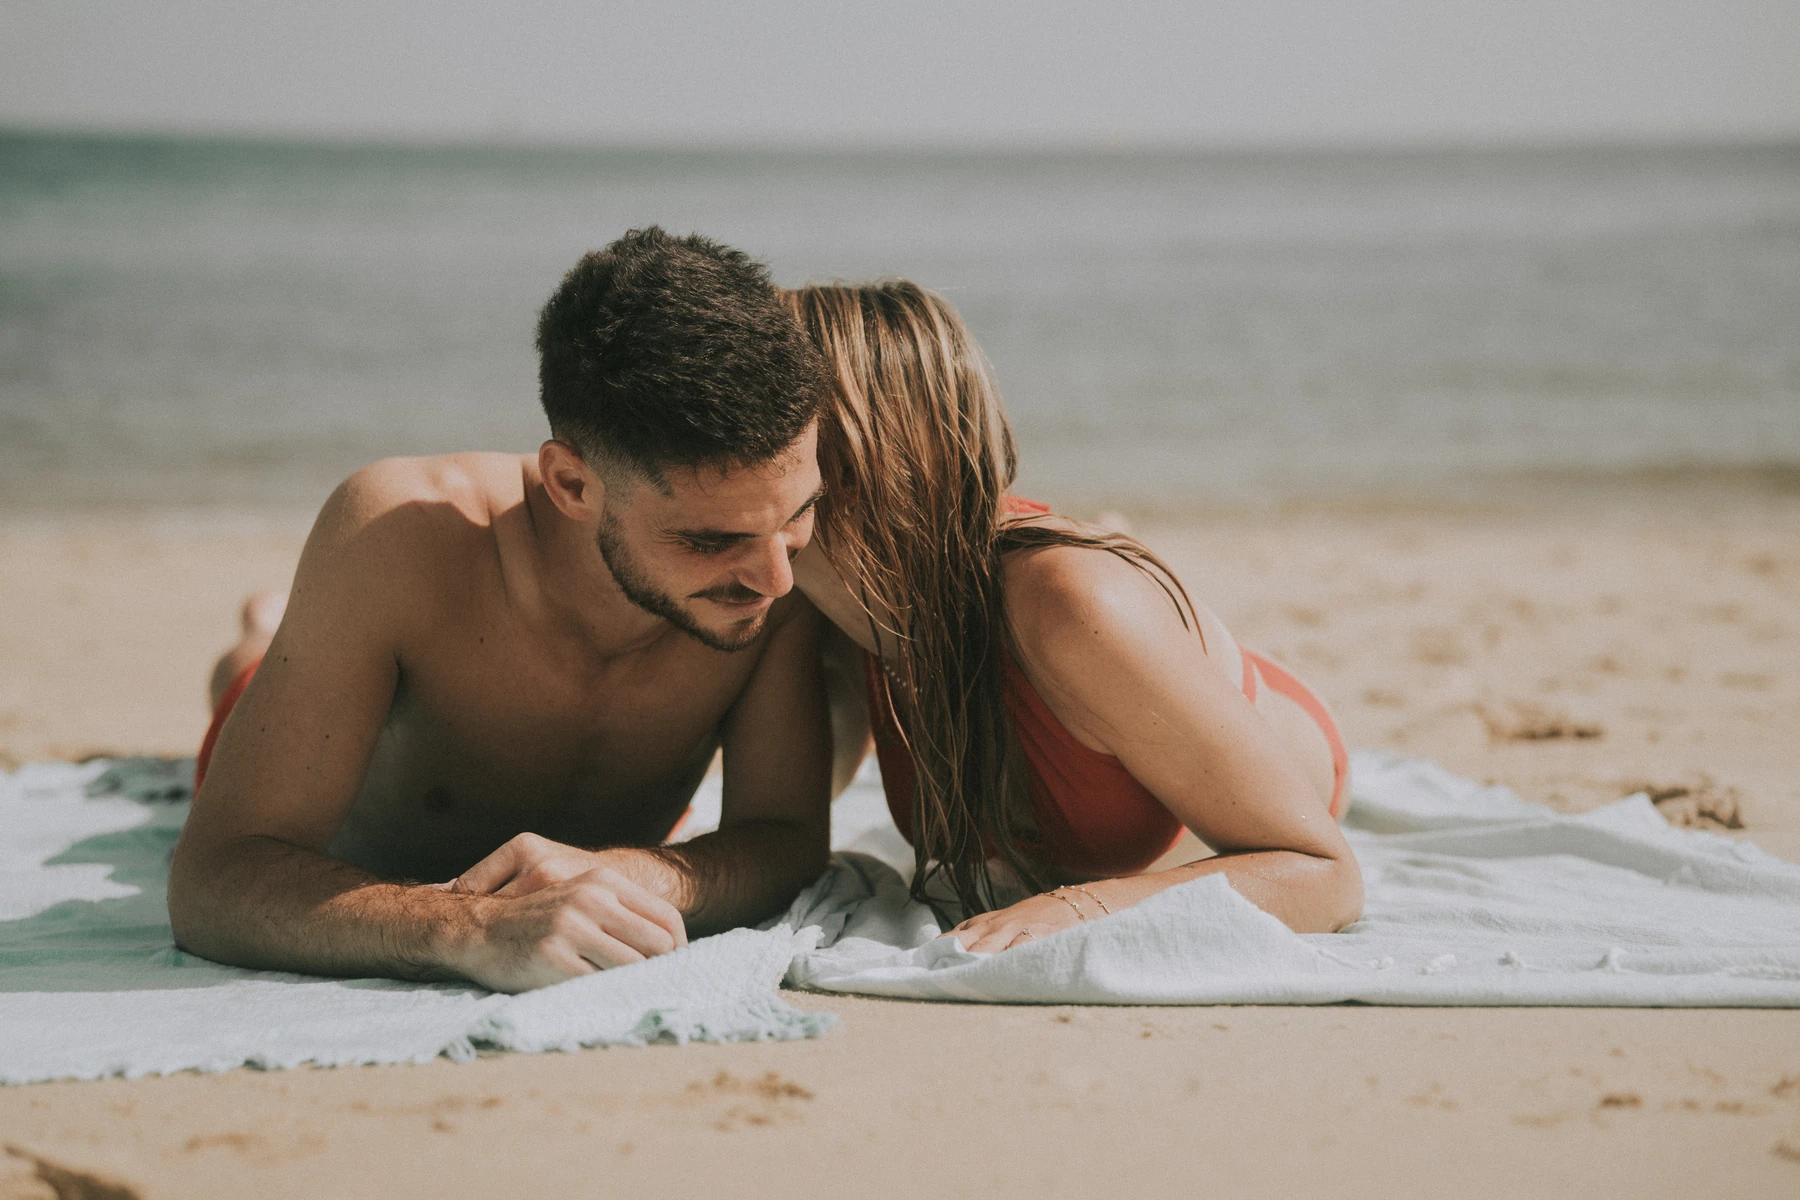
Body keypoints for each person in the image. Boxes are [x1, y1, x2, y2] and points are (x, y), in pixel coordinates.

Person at [168, 228, 841, 993]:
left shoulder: (772, 566)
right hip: (306, 742)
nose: (778, 578)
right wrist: (473, 927)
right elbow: (211, 878)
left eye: (798, 515)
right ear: (572, 485)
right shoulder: (400, 535)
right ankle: (265, 628)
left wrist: (622, 873)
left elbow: (785, 837)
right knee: (244, 671)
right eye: (709, 540)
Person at [784, 281, 1363, 950]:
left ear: (854, 458)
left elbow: (1328, 877)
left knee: (1084, 603)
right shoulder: (805, 584)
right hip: (1074, 631)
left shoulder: (1073, 607)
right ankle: (1123, 544)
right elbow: (787, 814)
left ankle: (1127, 559)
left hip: (1263, 725)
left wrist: (1079, 908)